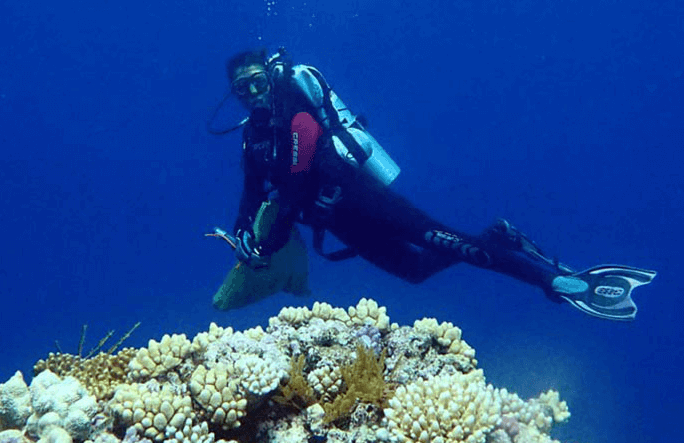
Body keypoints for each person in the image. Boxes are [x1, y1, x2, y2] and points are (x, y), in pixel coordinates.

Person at [209, 47, 656, 321]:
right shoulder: (254, 137)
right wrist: (243, 229)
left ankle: (551, 280)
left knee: (444, 239)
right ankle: (497, 236)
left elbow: (294, 183)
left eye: (256, 82)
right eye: (241, 90)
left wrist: (270, 242)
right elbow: (253, 190)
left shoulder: (297, 115)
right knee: (416, 271)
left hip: (363, 200)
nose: (252, 94)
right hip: (341, 224)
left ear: (270, 79)